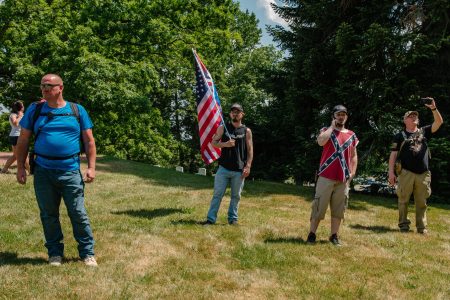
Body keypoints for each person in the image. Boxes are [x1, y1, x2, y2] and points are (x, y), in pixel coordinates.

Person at [15, 74, 98, 266]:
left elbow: (89, 141)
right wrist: (20, 167)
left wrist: (91, 167)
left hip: (70, 170)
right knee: (48, 214)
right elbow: (23, 140)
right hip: (43, 171)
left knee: (78, 212)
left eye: (48, 86)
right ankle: (54, 253)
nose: (44, 89)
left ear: (60, 88)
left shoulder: (77, 110)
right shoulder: (35, 110)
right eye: (42, 85)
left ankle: (87, 253)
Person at [388, 98, 443, 234]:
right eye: (410, 116)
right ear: (404, 120)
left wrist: (433, 108)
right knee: (403, 200)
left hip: (423, 173)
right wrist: (391, 173)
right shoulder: (399, 135)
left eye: (415, 116)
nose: (414, 118)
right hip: (405, 172)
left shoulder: (424, 132)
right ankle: (404, 226)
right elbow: (393, 155)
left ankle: (422, 228)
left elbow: (439, 122)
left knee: (421, 202)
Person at [307, 105, 358, 246]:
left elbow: (354, 156)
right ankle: (312, 234)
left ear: (346, 116)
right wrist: (331, 127)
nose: (341, 117)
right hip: (326, 176)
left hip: (343, 179)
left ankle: (334, 235)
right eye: (338, 114)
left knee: (338, 209)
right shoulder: (326, 131)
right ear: (333, 116)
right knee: (318, 206)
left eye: (343, 114)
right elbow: (320, 142)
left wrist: (352, 173)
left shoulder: (351, 135)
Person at [202, 103, 253, 225]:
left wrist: (248, 166)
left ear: (242, 114)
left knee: (236, 196)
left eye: (237, 111)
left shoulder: (246, 131)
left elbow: (250, 150)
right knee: (217, 195)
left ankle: (232, 219)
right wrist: (225, 144)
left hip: (239, 170)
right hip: (223, 168)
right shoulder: (223, 128)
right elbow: (213, 143)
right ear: (230, 114)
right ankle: (210, 219)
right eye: (233, 112)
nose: (235, 113)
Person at [1, 101, 29, 174]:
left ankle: (4, 170)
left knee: (15, 155)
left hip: (20, 136)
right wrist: (19, 116)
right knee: (23, 154)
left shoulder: (23, 114)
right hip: (16, 136)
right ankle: (31, 171)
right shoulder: (13, 115)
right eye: (22, 105)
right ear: (20, 107)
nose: (23, 106)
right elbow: (15, 124)